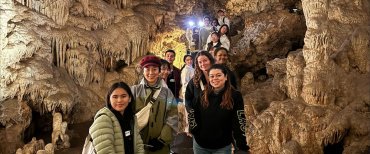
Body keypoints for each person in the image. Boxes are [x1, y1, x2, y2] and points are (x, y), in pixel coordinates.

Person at [188, 64, 249, 154]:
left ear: (226, 77)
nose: (215, 78)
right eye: (211, 76)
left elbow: (239, 120)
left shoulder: (235, 96)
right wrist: (194, 130)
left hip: (222, 146)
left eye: (218, 75)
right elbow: (192, 113)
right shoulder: (202, 95)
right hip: (200, 144)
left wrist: (241, 145)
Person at [131, 55, 178, 154]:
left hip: (160, 147)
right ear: (143, 71)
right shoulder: (134, 91)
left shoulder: (167, 93)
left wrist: (162, 140)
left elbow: (173, 116)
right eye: (147, 69)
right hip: (137, 145)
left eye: (154, 69)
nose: (151, 73)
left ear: (159, 71)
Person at [89, 82, 144, 154]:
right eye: (115, 97)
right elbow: (105, 151)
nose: (119, 100)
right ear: (109, 100)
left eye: (123, 96)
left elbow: (138, 144)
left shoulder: (131, 118)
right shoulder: (104, 119)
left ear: (130, 98)